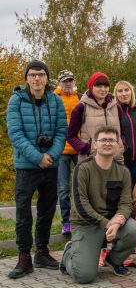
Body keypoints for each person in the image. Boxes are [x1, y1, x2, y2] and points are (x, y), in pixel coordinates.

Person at [6, 60, 67, 279]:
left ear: (47, 78)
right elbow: (16, 134)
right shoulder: (16, 101)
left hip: (51, 164)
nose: (37, 78)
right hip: (26, 166)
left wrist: (51, 155)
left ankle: (41, 251)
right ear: (27, 78)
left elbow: (62, 131)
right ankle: (24, 257)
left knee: (47, 210)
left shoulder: (56, 101)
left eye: (41, 74)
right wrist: (37, 157)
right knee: (23, 212)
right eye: (32, 75)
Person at [59, 126, 136, 283]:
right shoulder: (82, 169)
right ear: (94, 144)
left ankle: (114, 260)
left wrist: (117, 223)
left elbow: (126, 203)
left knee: (135, 230)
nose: (108, 143)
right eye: (103, 140)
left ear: (118, 145)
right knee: (83, 276)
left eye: (112, 140)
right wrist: (107, 223)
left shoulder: (123, 171)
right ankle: (68, 254)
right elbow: (80, 205)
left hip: (111, 224)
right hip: (86, 223)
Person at [67, 71, 125, 162]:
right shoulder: (81, 107)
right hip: (91, 161)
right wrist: (86, 148)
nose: (103, 89)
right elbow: (70, 136)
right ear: (91, 87)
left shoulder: (116, 107)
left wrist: (122, 146)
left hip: (116, 160)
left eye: (106, 86)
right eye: (99, 86)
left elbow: (122, 132)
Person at [53, 69, 80, 236]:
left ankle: (82, 219)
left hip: (78, 148)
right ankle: (66, 222)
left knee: (81, 187)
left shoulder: (81, 97)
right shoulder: (54, 98)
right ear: (59, 82)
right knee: (63, 188)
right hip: (62, 149)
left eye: (70, 80)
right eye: (64, 80)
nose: (67, 83)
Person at [114, 80, 136, 188]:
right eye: (120, 91)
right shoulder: (114, 112)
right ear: (116, 94)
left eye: (126, 90)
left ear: (131, 92)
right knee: (124, 191)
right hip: (122, 159)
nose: (124, 93)